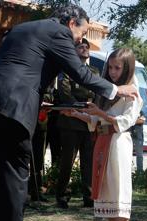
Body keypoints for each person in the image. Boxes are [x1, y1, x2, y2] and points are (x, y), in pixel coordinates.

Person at [0, 5, 138, 221]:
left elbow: (20, 69)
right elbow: (79, 74)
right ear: (71, 23)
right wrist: (117, 90)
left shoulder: (22, 28)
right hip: (10, 108)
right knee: (13, 180)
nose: (80, 40)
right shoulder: (58, 33)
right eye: (81, 32)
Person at [61, 48, 142, 221]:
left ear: (127, 68)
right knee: (105, 190)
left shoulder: (132, 91)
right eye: (111, 67)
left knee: (119, 191)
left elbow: (125, 121)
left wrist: (100, 113)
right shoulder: (109, 91)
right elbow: (97, 121)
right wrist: (77, 114)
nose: (113, 72)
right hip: (103, 141)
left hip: (118, 143)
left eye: (118, 68)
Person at [54, 38, 98, 209]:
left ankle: (89, 196)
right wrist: (81, 108)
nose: (85, 49)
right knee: (67, 162)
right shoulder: (66, 70)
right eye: (81, 47)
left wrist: (87, 110)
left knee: (88, 162)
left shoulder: (93, 71)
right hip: (70, 122)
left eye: (87, 47)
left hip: (88, 122)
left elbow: (96, 94)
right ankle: (62, 196)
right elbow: (65, 94)